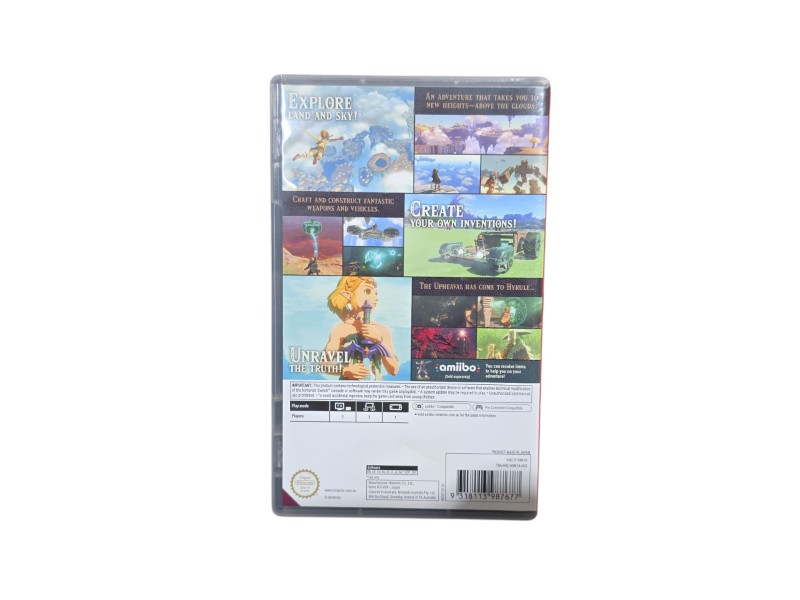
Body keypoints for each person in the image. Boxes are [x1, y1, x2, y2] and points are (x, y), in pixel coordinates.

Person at [322, 276, 398, 380]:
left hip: (375, 388)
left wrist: (378, 340)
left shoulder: (381, 330)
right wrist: (344, 371)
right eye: (367, 291)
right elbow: (323, 363)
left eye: (376, 293)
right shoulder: (340, 329)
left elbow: (394, 370)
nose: (376, 298)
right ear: (348, 295)